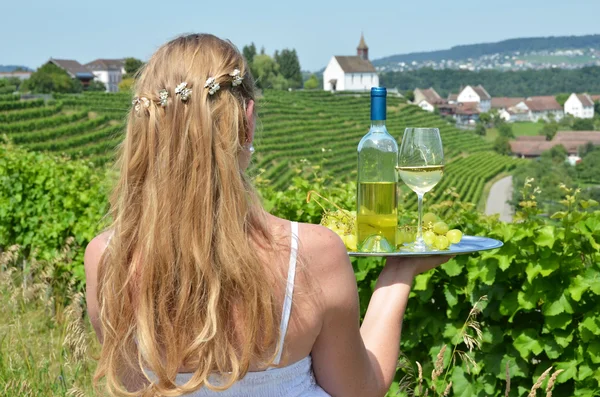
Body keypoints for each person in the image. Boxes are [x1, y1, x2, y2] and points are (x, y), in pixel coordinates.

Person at [84, 33, 452, 397]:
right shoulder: (310, 254)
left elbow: (138, 389)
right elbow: (361, 389)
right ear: (247, 118)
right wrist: (398, 275)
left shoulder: (107, 258)